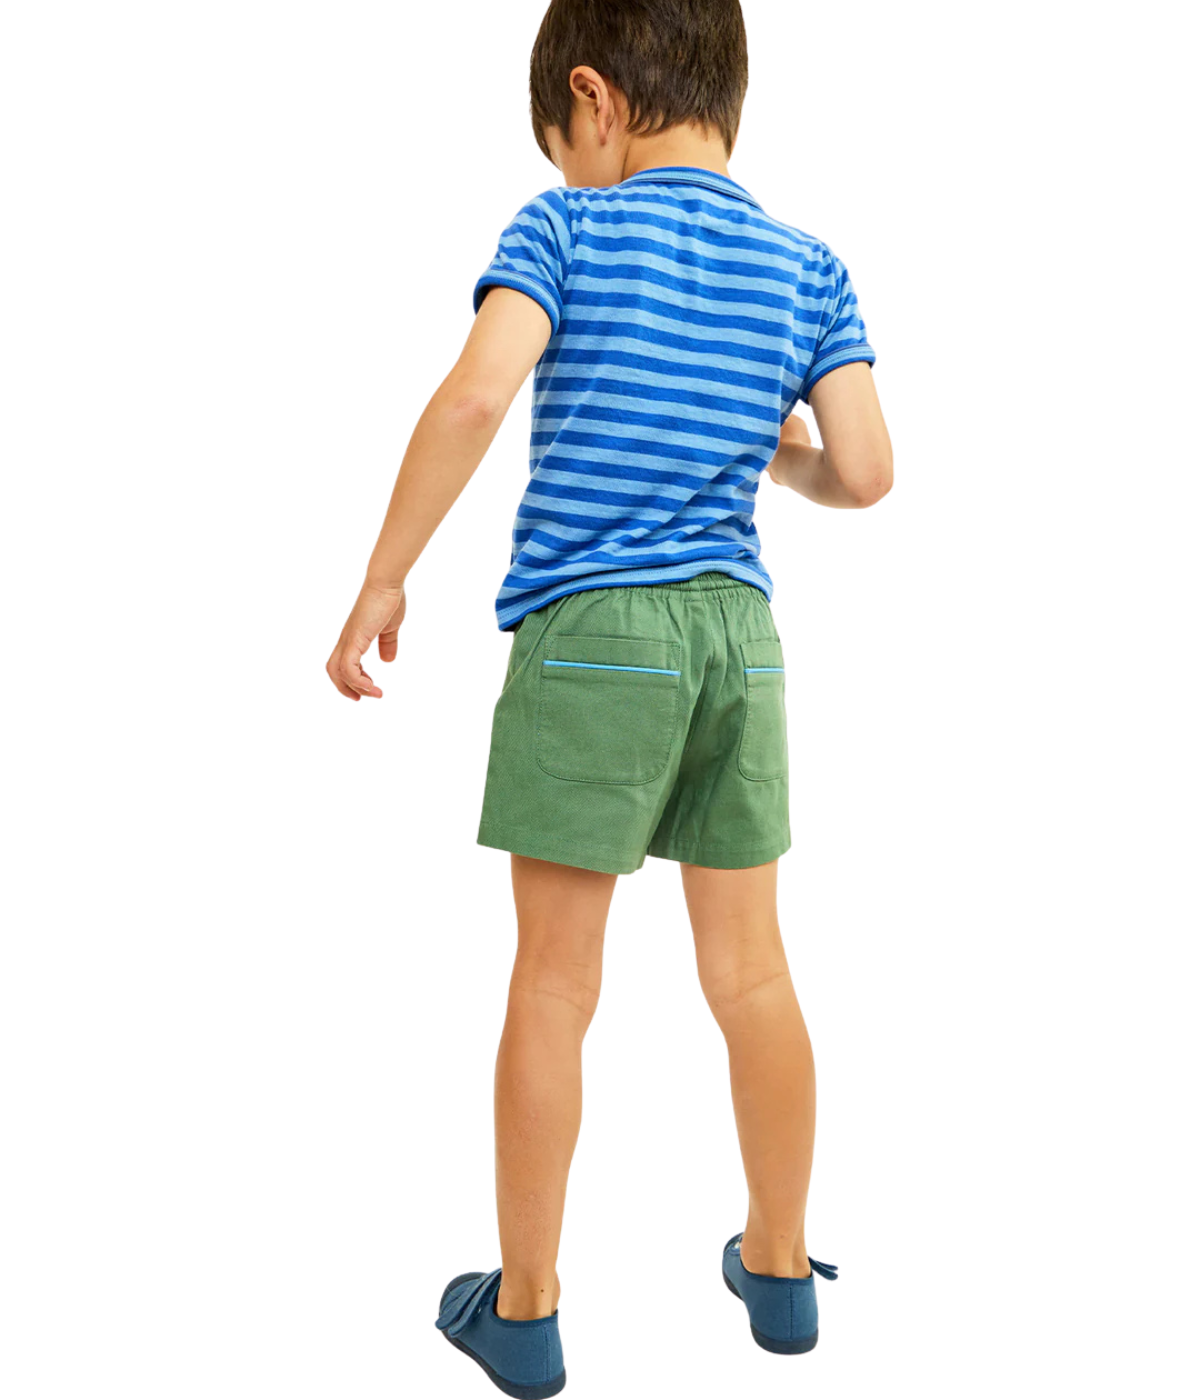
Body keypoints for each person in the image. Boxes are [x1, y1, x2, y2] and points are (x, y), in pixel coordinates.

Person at [325, 1, 892, 1392]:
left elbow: (473, 400)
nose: (567, 171)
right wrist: (780, 460)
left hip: (596, 636)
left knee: (555, 980)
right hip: (741, 646)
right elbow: (866, 471)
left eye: (563, 145)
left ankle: (524, 1311)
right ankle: (778, 1269)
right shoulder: (808, 264)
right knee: (752, 973)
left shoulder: (565, 230)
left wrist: (384, 578)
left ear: (595, 100)